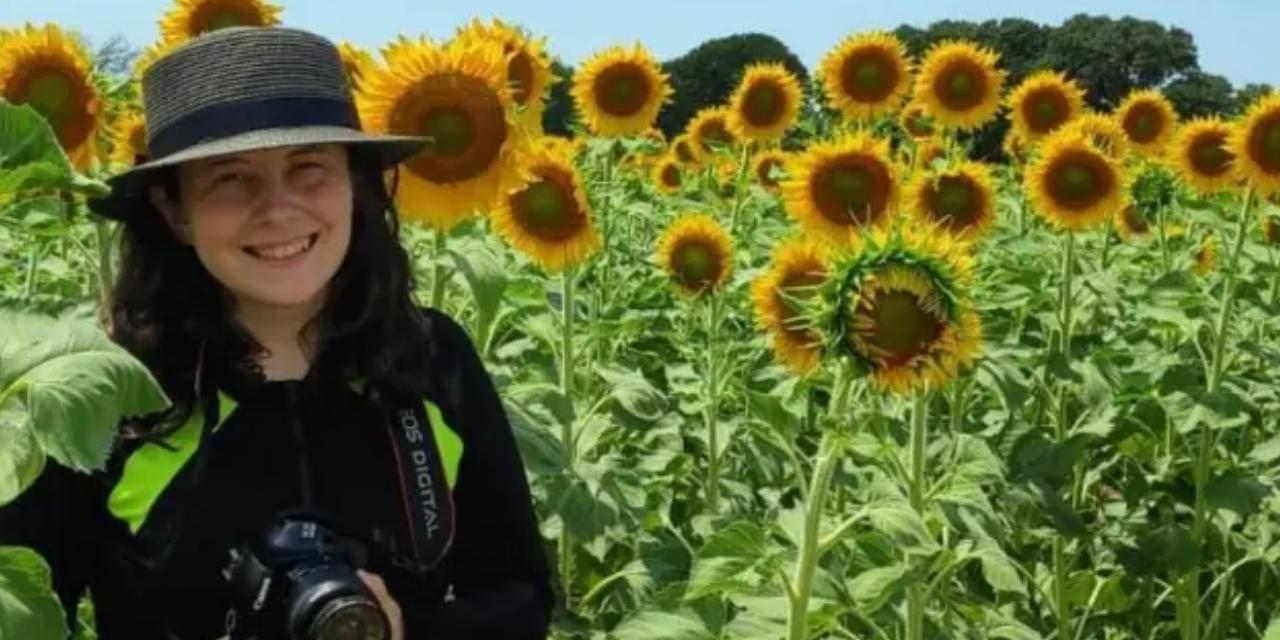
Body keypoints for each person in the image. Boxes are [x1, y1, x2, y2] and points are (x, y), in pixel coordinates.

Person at [0, 25, 552, 640]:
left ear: (355, 185)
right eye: (231, 178)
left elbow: (521, 595)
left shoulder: (430, 359)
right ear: (173, 210)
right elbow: (23, 613)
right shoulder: (99, 392)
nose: (280, 209)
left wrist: (403, 630)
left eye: (308, 167)